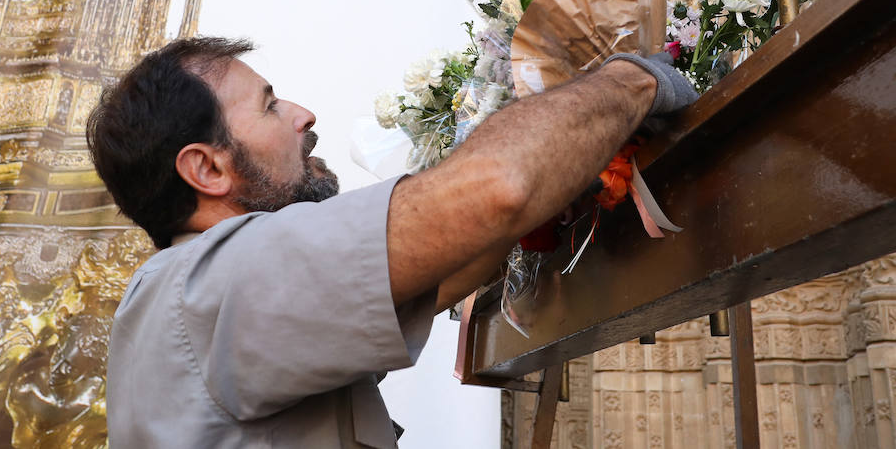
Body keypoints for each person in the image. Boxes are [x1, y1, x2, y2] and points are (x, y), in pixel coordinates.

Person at [87, 36, 697, 447]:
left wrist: (561, 164)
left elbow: (447, 263)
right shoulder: (216, 283)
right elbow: (497, 189)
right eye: (270, 106)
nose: (304, 115)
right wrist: (629, 81)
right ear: (209, 171)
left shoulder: (200, 295)